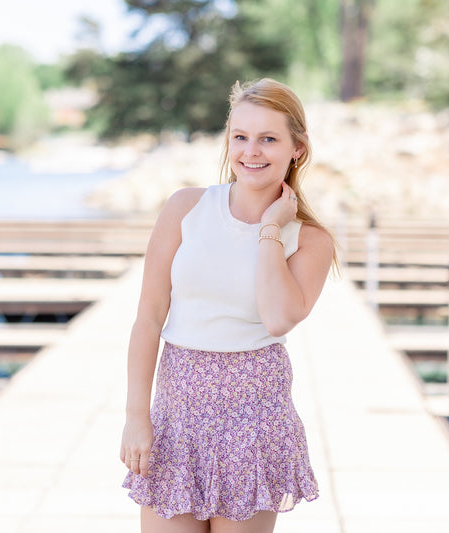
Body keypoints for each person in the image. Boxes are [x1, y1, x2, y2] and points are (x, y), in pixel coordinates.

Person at [120, 78, 337, 533]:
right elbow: (149, 315)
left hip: (253, 420)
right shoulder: (185, 207)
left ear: (297, 148)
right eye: (240, 137)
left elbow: (279, 316)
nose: (251, 151)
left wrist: (270, 232)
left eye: (268, 139)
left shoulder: (310, 240)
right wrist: (136, 416)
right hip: (176, 415)